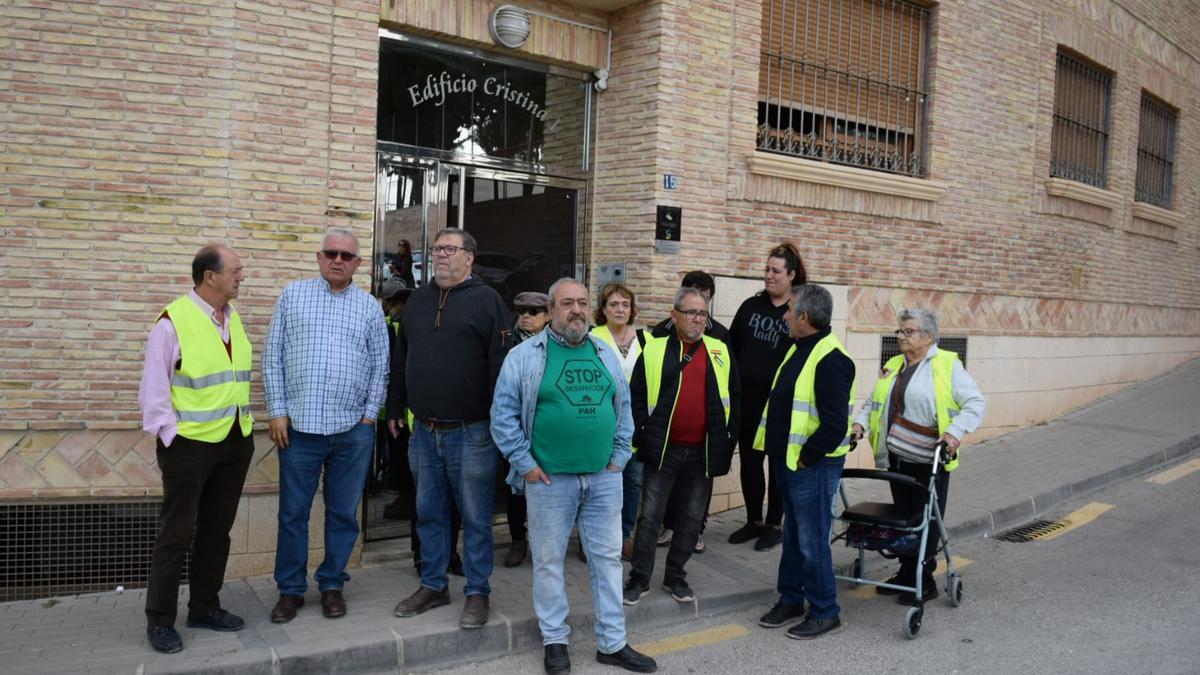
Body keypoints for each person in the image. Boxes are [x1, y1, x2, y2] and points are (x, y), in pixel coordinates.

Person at [491, 278, 657, 675]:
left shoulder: (603, 350)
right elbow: (503, 417)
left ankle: (612, 643)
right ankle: (555, 640)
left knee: (607, 561)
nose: (577, 310)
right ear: (551, 310)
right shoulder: (525, 355)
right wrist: (525, 464)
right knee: (548, 561)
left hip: (603, 478)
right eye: (568, 304)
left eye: (583, 302)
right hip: (550, 481)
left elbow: (624, 408)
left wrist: (618, 456)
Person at [263, 228, 389, 623]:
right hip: (298, 429)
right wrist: (277, 411)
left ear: (358, 263)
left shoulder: (369, 307)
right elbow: (272, 357)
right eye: (331, 253)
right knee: (293, 513)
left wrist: (370, 417)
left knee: (342, 513)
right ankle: (290, 590)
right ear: (319, 257)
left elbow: (381, 366)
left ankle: (332, 584)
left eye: (346, 255)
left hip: (352, 430)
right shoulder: (292, 296)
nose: (338, 260)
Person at [391, 228, 511, 629]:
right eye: (437, 249)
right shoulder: (418, 301)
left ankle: (477, 592)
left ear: (469, 258)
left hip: (473, 432)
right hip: (424, 431)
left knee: (476, 517)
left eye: (449, 249)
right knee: (429, 513)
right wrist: (395, 406)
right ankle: (433, 584)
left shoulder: (488, 302)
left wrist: (501, 422)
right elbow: (400, 358)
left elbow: (502, 368)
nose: (440, 255)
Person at [138, 244, 254, 654]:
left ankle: (205, 606)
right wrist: (171, 436)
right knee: (176, 533)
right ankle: (160, 620)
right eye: (236, 271)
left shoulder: (231, 317)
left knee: (215, 532)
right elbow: (154, 392)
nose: (242, 277)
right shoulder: (172, 322)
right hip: (189, 446)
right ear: (210, 276)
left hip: (234, 441)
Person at [851, 309, 986, 604]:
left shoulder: (947, 365)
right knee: (904, 519)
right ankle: (905, 572)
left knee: (926, 519)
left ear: (928, 337)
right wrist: (859, 424)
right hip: (897, 457)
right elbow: (874, 401)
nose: (901, 336)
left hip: (929, 461)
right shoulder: (894, 364)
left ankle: (924, 580)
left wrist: (953, 433)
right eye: (900, 331)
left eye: (908, 331)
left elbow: (975, 403)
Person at [623, 287, 739, 606]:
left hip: (702, 452)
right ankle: (639, 578)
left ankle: (676, 575)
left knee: (690, 518)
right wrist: (642, 433)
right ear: (674, 316)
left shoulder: (719, 350)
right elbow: (635, 397)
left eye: (703, 313)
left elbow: (735, 398)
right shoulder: (656, 349)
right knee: (650, 517)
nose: (698, 319)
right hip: (663, 449)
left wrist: (730, 436)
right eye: (692, 313)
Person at [754, 284, 855, 640]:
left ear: (804, 317)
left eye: (789, 309)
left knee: (812, 539)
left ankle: (826, 610)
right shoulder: (799, 348)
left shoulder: (831, 359)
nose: (783, 315)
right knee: (794, 537)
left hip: (810, 466)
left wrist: (805, 459)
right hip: (789, 462)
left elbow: (833, 425)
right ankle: (791, 599)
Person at [727, 242, 807, 551]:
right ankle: (753, 521)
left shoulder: (798, 311)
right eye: (766, 269)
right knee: (749, 461)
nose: (768, 275)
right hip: (747, 401)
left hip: (780, 405)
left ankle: (774, 524)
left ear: (791, 274)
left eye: (775, 271)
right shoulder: (750, 306)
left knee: (776, 466)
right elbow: (732, 349)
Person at [649, 270, 729, 552]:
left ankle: (694, 533)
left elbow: (731, 388)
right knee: (658, 498)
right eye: (691, 307)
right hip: (665, 438)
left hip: (703, 440)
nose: (697, 316)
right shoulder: (660, 333)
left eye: (703, 305)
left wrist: (727, 432)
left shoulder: (720, 337)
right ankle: (668, 528)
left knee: (697, 496)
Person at [590, 282, 645, 560]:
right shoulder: (592, 338)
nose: (620, 309)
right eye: (614, 304)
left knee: (632, 483)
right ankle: (592, 540)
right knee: (597, 485)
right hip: (601, 424)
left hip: (635, 427)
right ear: (603, 309)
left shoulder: (646, 340)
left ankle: (624, 536)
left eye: (625, 304)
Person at [502, 290, 552, 568]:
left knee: (547, 486)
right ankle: (517, 540)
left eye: (533, 313)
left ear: (547, 316)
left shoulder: (556, 344)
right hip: (515, 427)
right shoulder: (506, 343)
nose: (525, 317)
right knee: (515, 486)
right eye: (521, 312)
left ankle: (543, 543)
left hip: (546, 428)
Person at [650, 270, 729, 342]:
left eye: (704, 299)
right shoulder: (661, 331)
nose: (697, 319)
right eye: (694, 298)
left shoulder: (721, 335)